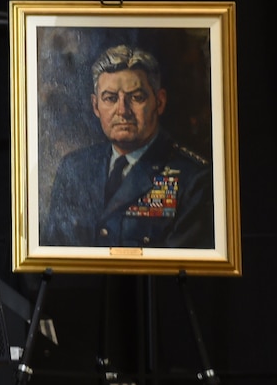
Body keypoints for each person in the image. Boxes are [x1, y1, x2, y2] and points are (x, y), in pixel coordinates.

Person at [42, 43, 213, 248]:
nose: (122, 110)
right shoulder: (74, 168)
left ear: (159, 102)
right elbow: (54, 252)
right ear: (96, 106)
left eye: (136, 97)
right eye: (110, 98)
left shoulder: (193, 178)